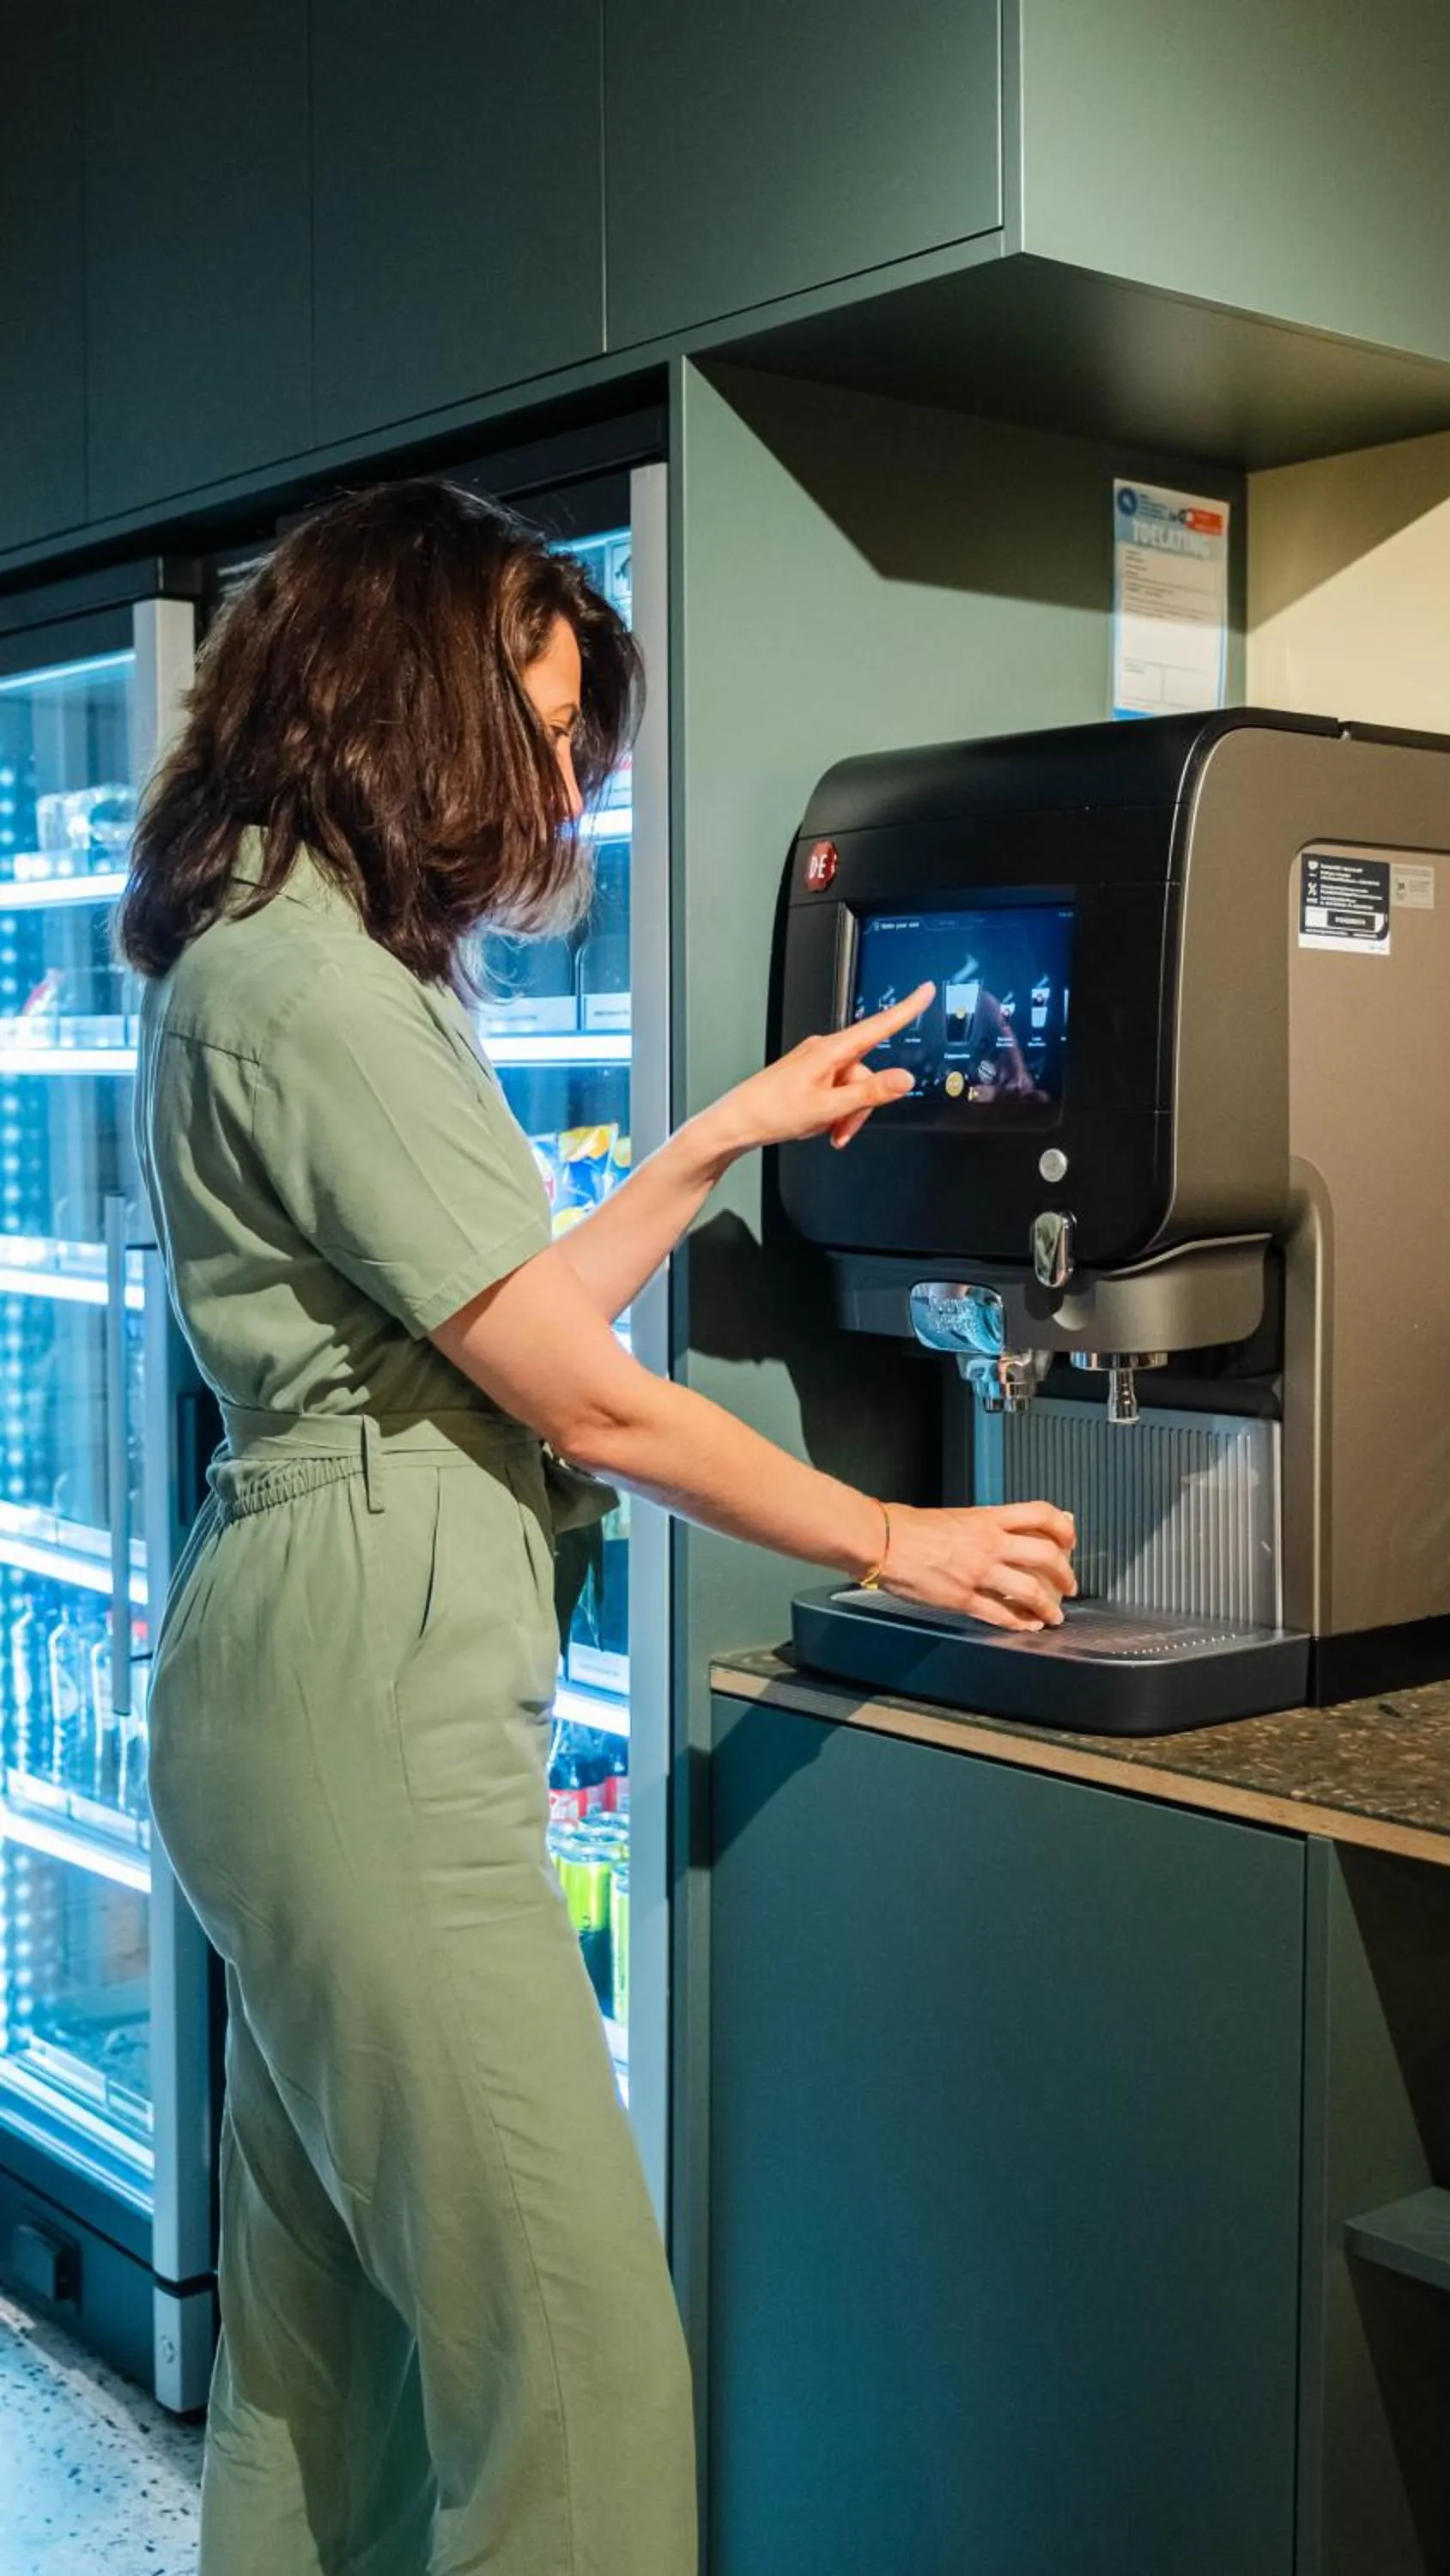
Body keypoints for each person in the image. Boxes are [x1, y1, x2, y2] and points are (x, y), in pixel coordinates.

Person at [118, 477, 1077, 2576]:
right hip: (362, 1721)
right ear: (409, 695)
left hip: (295, 1692)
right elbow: (579, 1392)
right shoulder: (315, 986)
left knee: (324, 2366)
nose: (554, 789)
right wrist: (892, 1536)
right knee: (581, 2374)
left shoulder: (276, 950)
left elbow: (505, 1316)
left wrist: (727, 1132)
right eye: (541, 732)